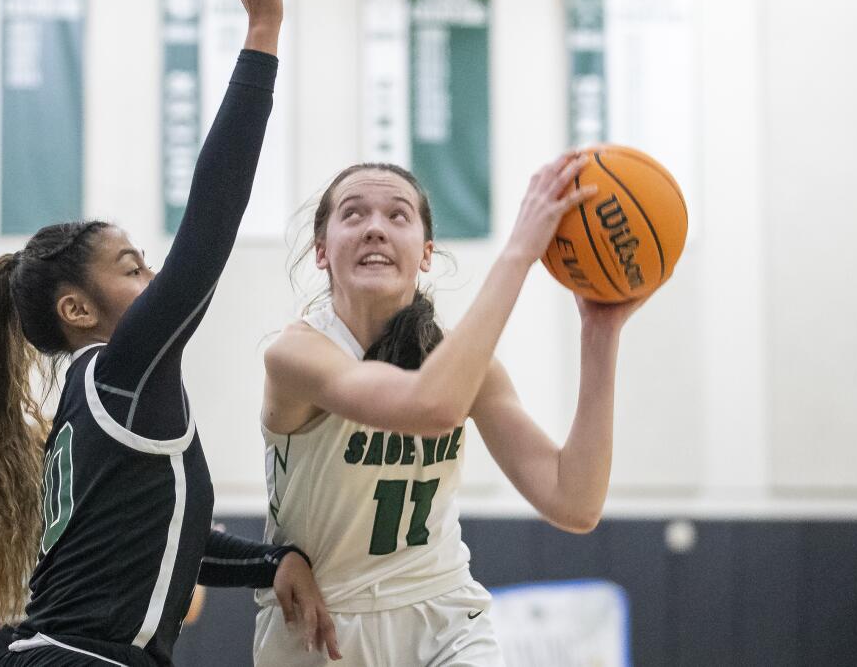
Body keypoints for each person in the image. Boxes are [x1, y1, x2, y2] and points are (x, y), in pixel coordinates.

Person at [0, 0, 339, 664]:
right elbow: (208, 228)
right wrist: (264, 30)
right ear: (77, 309)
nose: (154, 282)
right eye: (133, 268)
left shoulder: (96, 403)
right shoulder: (120, 373)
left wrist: (273, 561)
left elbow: (177, 543)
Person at [254, 156, 643, 665]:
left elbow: (574, 502)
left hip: (443, 614)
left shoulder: (463, 361)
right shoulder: (295, 355)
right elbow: (431, 406)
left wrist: (600, 333)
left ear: (426, 253)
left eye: (398, 216)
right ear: (322, 252)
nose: (375, 228)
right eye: (354, 214)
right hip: (322, 621)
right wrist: (519, 253)